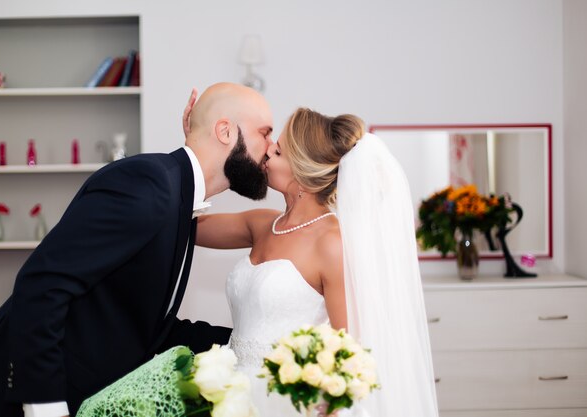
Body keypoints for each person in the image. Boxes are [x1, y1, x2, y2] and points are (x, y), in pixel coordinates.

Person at [0, 82, 274, 417]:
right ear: (225, 131)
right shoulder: (149, 184)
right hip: (6, 402)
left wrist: (254, 346)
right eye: (264, 133)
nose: (271, 148)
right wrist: (46, 407)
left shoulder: (177, 195)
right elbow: (42, 285)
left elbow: (150, 329)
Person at [185, 99, 439, 416]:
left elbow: (349, 350)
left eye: (277, 152)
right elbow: (187, 226)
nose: (265, 154)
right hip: (235, 395)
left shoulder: (331, 241)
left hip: (290, 401)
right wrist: (197, 153)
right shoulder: (262, 224)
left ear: (302, 171)